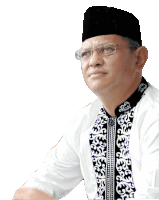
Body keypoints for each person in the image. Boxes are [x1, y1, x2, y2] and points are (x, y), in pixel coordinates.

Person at [13, 6, 159, 200]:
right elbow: (30, 192)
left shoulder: (154, 115)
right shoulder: (84, 120)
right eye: (85, 54)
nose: (93, 61)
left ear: (139, 58)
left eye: (107, 49)